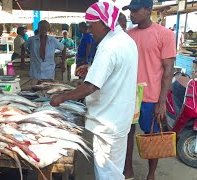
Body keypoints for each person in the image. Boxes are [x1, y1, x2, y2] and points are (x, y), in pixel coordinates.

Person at [50, 2, 138, 179]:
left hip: (108, 122)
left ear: (105, 23)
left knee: (107, 173)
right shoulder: (126, 40)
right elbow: (116, 72)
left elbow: (90, 86)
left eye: (91, 26)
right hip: (120, 119)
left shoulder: (109, 46)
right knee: (114, 169)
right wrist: (92, 69)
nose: (89, 30)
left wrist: (61, 98)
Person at [122, 0, 176, 180]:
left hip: (151, 96)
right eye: (130, 11)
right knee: (127, 133)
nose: (131, 14)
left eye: (135, 11)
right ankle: (127, 169)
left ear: (148, 10)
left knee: (152, 136)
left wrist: (162, 101)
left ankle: (151, 174)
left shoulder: (165, 34)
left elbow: (168, 71)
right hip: (129, 94)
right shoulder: (128, 35)